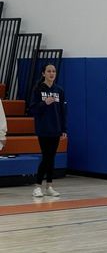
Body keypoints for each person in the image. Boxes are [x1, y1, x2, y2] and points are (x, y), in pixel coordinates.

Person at [29, 64, 67, 197]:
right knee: (46, 157)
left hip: (56, 129)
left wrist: (63, 128)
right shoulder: (38, 89)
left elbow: (63, 111)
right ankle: (37, 186)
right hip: (44, 128)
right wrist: (45, 103)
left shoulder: (59, 90)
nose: (52, 73)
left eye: (54, 71)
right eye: (49, 71)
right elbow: (32, 109)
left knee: (52, 158)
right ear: (43, 73)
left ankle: (49, 186)